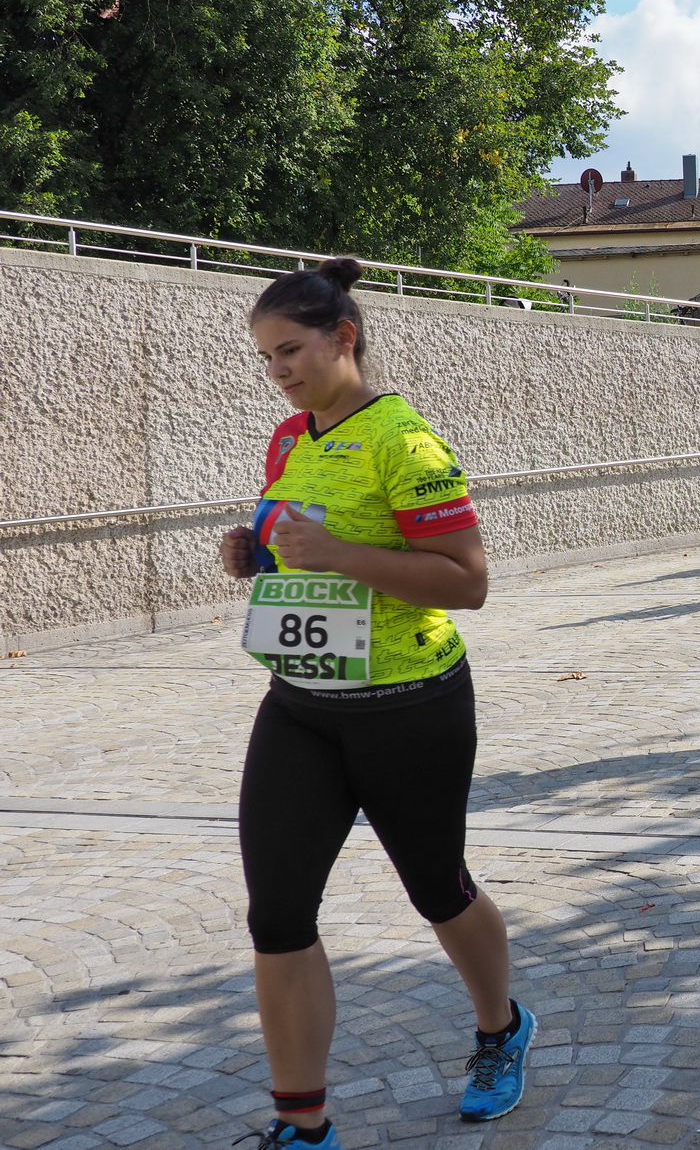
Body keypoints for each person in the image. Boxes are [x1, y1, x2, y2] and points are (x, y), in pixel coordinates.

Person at [219, 259, 533, 1149]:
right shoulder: (289, 439)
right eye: (266, 357)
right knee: (276, 914)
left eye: (291, 350)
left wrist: (336, 552)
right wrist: (258, 553)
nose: (279, 370)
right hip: (301, 705)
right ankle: (301, 1123)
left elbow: (468, 582)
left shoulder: (406, 440)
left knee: (438, 889)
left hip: (411, 704)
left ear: (343, 338)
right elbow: (298, 546)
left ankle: (500, 1029)